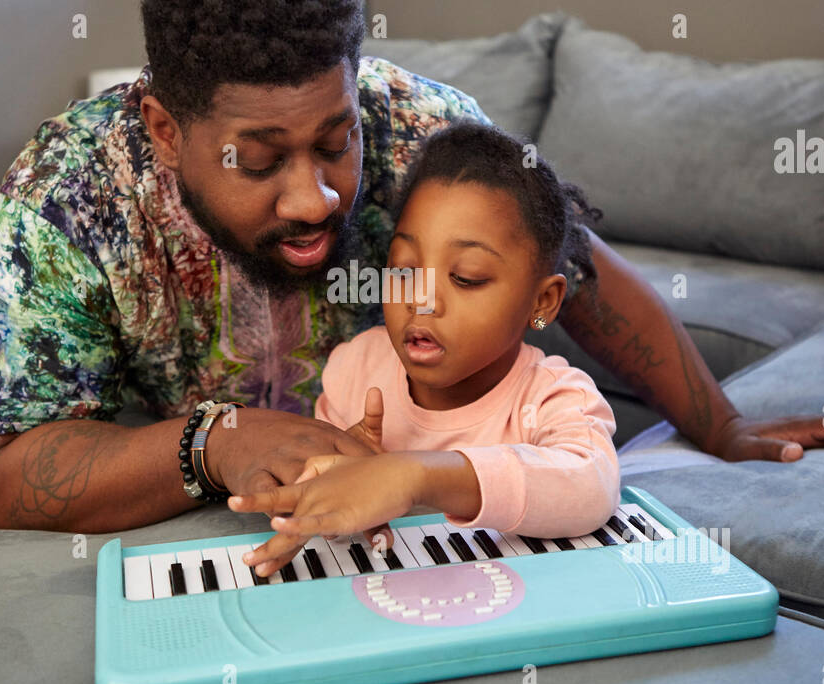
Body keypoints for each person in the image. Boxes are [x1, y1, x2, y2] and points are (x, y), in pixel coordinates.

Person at [0, 0, 824, 533]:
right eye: (258, 158)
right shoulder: (69, 195)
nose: (314, 198)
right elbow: (1, 475)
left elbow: (572, 267)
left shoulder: (418, 124)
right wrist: (212, 441)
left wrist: (724, 423)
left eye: (334, 142)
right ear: (168, 129)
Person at [232, 121, 621, 577]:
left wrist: (414, 475)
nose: (420, 299)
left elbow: (590, 488)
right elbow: (339, 522)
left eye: (466, 277)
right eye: (404, 268)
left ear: (542, 302)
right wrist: (339, 480)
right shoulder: (357, 369)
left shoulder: (553, 397)